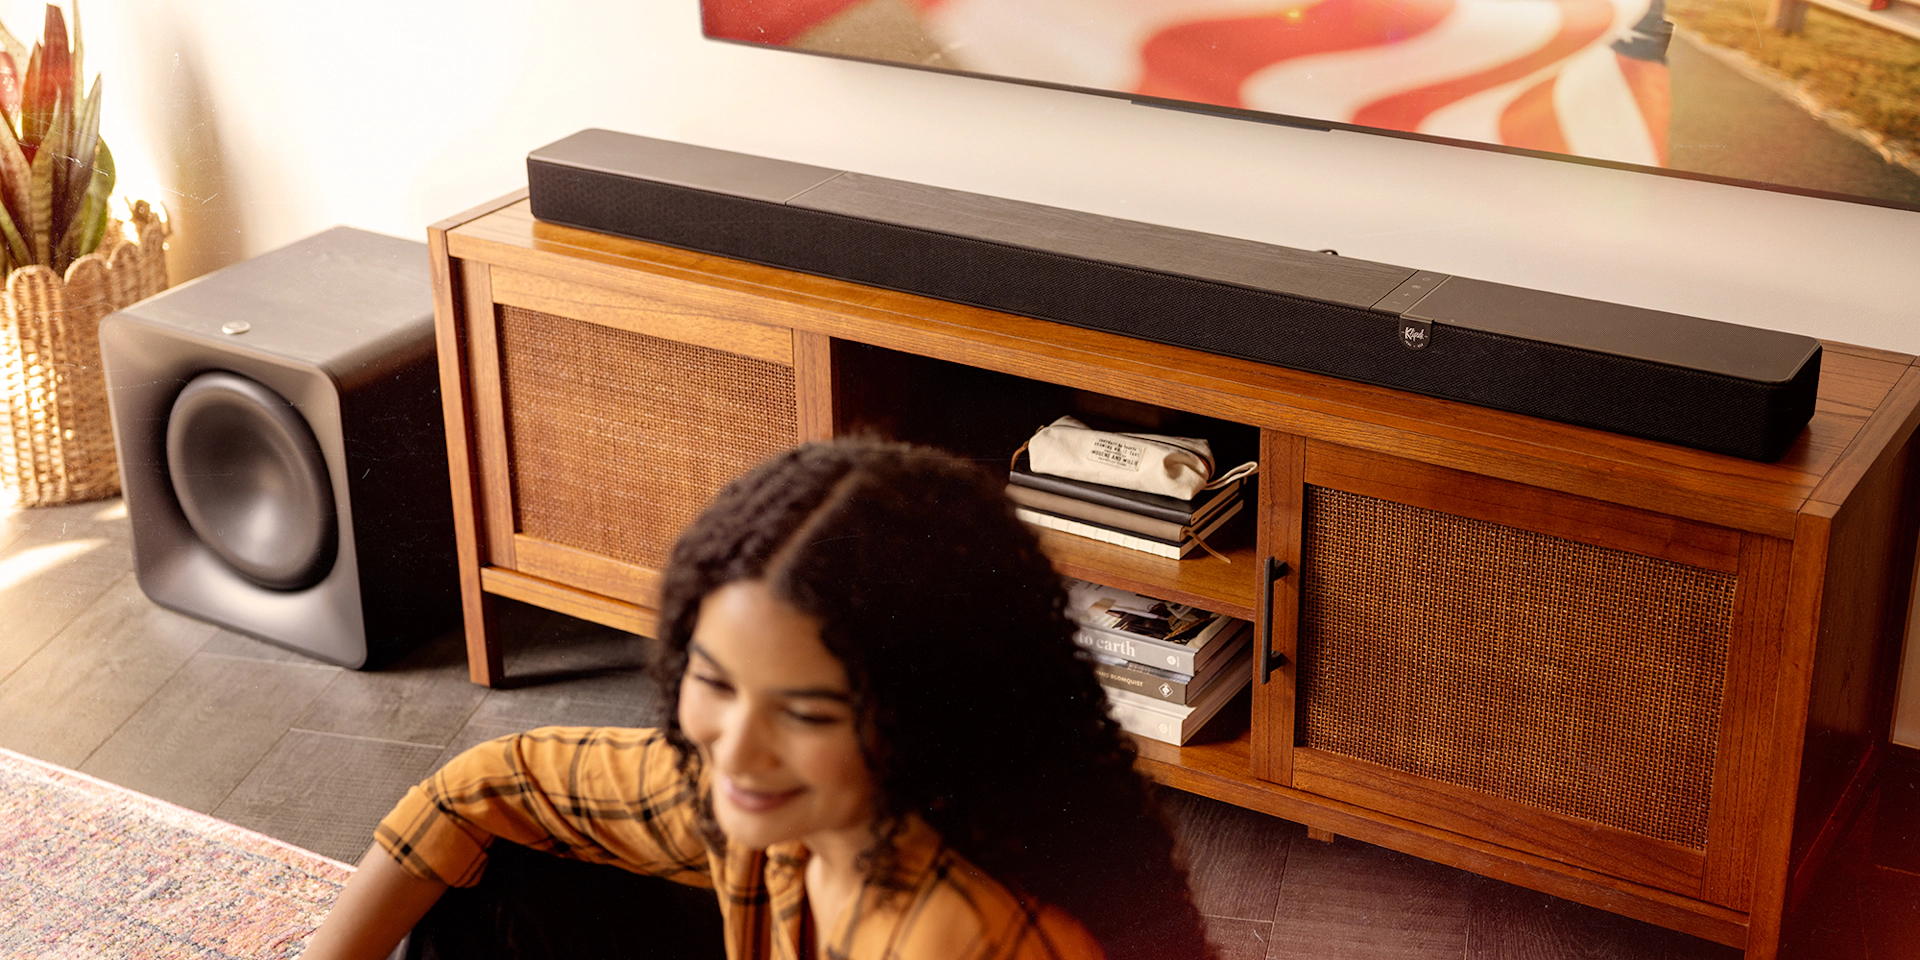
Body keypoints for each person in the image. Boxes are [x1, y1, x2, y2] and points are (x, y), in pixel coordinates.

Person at [301, 438, 1216, 960]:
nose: (735, 749)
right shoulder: (776, 815)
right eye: (715, 681)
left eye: (806, 713)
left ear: (920, 717)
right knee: (507, 879)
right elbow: (483, 788)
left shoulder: (963, 938)